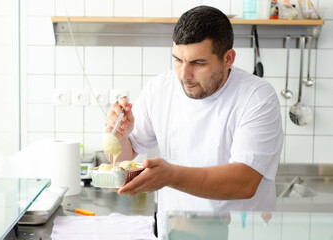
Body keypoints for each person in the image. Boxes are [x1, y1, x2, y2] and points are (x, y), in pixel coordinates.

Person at [104, 5, 283, 238]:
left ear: (228, 58)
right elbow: (123, 158)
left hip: (240, 233)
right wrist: (118, 137)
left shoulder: (257, 97)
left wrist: (170, 175)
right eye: (178, 60)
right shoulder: (160, 88)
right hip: (175, 230)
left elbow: (244, 182)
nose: (184, 75)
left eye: (198, 63)